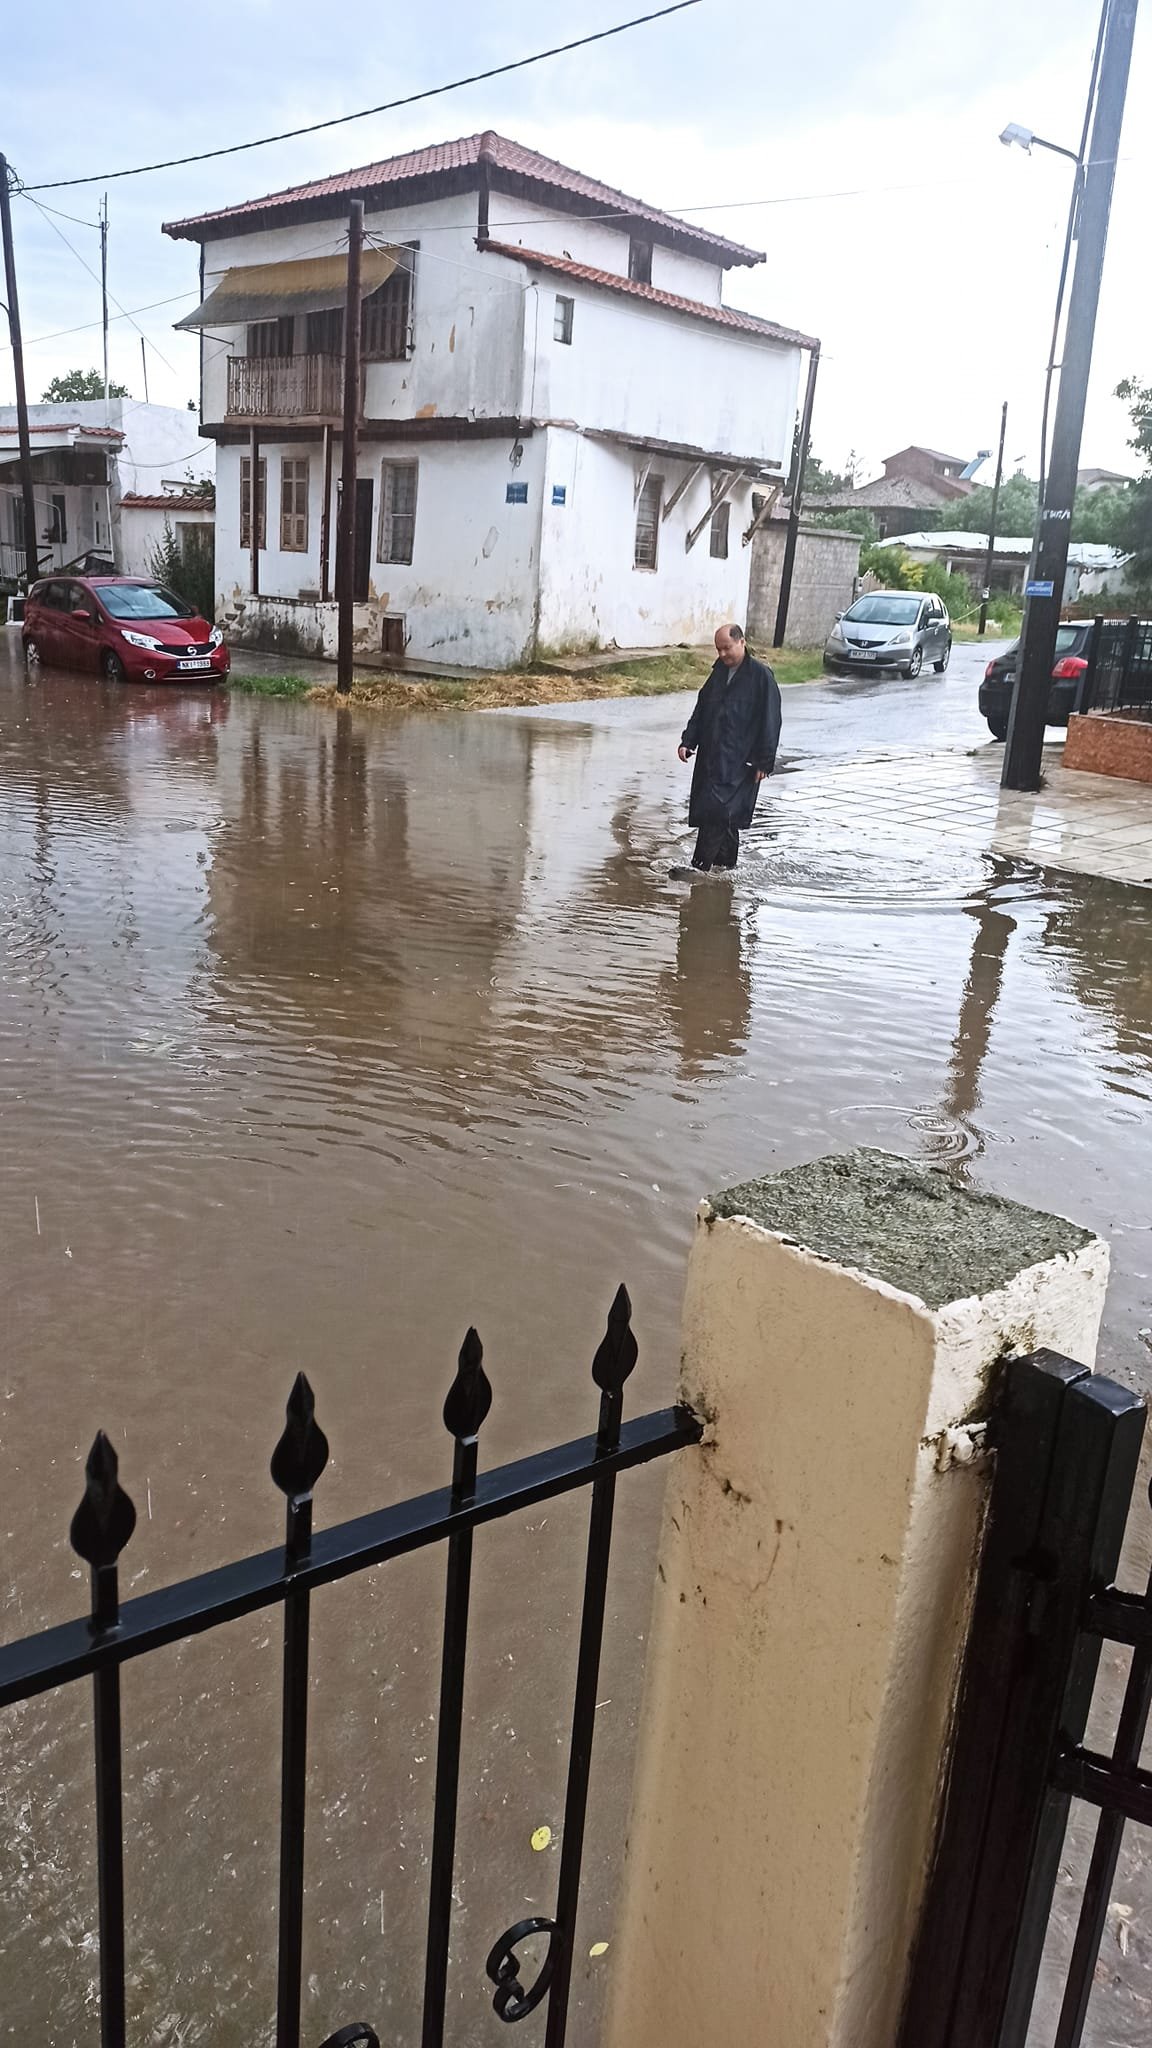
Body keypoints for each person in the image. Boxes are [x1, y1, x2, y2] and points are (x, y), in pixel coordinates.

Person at [676, 625, 782, 872]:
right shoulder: (718, 675)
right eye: (718, 649)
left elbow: (771, 721)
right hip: (712, 757)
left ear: (741, 642)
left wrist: (764, 762)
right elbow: (702, 710)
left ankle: (698, 868)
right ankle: (724, 868)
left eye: (727, 648)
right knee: (726, 816)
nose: (722, 654)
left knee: (717, 812)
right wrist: (688, 741)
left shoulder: (761, 677)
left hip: (741, 761)